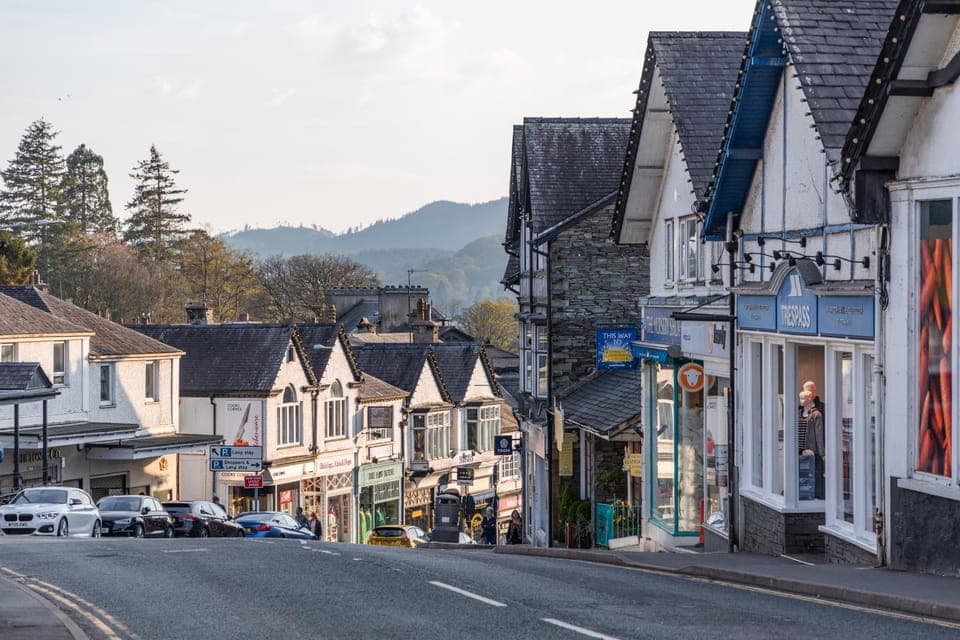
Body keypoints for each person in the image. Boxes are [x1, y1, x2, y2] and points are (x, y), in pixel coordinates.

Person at [800, 390, 825, 499]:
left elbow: (819, 435)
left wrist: (821, 453)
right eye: (800, 398)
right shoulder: (798, 413)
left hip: (812, 451)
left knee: (814, 473)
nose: (800, 400)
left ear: (810, 398)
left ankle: (816, 495)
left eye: (803, 398)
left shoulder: (816, 415)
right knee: (801, 474)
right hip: (799, 450)